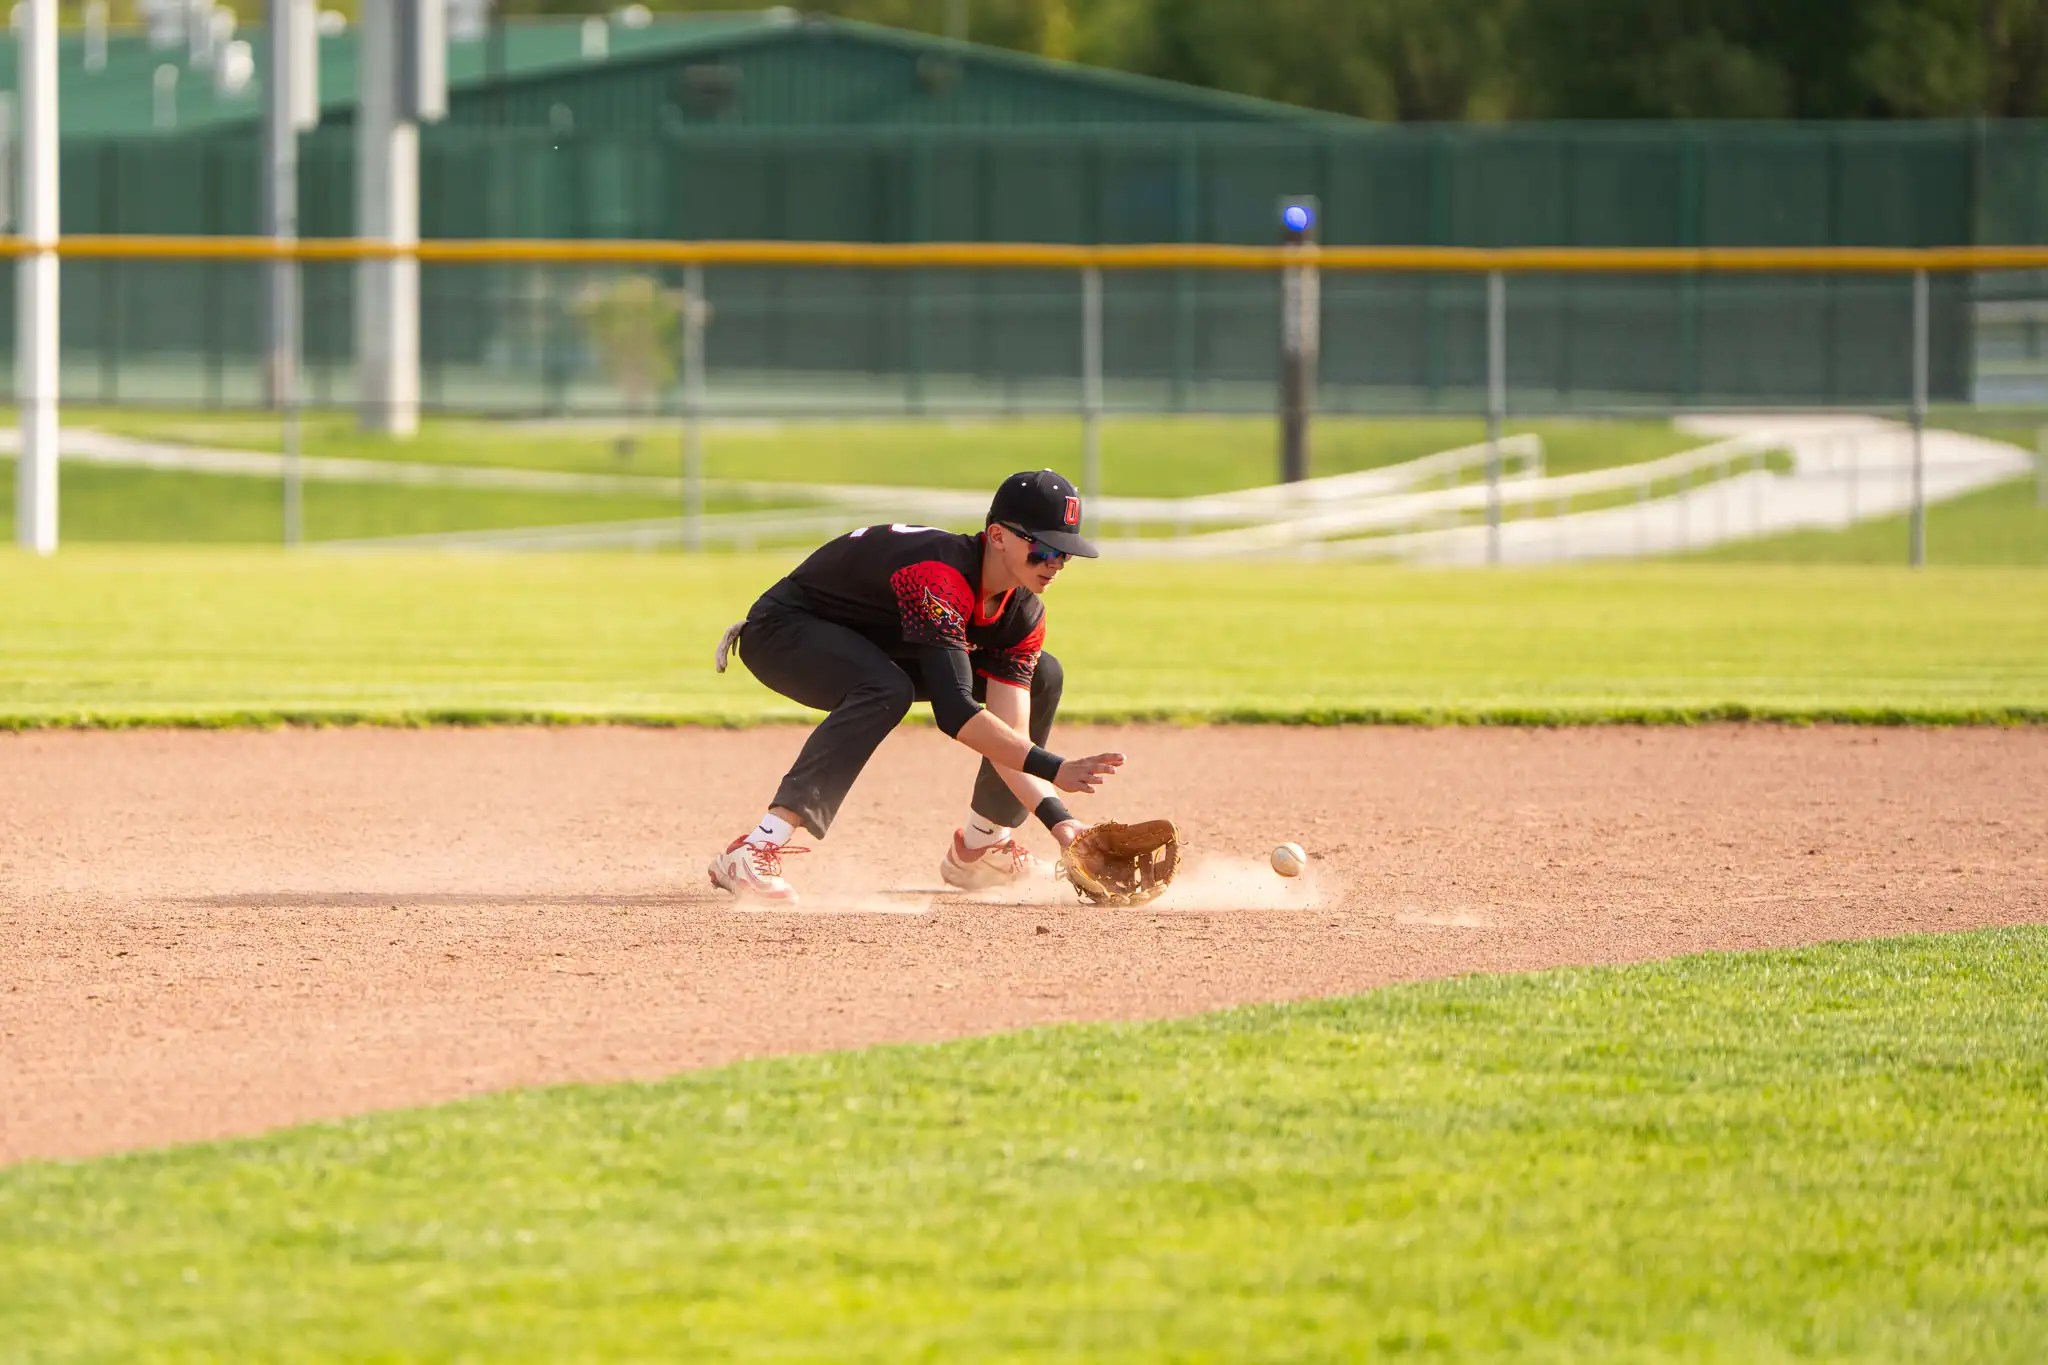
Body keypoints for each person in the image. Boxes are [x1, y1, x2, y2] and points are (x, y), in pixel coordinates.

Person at [707, 468, 1123, 903]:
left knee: (1043, 674)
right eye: (1043, 547)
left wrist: (1063, 825)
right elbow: (956, 713)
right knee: (886, 688)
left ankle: (982, 847)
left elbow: (1010, 738)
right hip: (784, 632)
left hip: (879, 645)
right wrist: (1055, 769)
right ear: (998, 535)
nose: (1054, 563)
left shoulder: (1022, 616)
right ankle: (757, 846)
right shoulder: (938, 578)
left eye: (1065, 553)